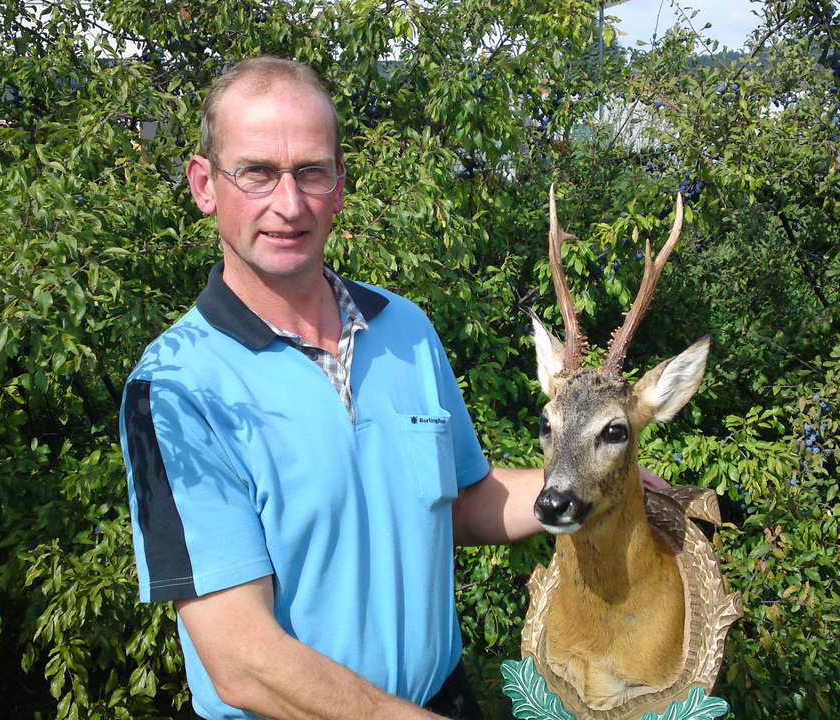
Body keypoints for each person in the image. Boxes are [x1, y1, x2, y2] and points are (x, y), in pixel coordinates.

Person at [118, 56, 548, 720]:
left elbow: (462, 502)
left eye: (311, 172)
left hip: (443, 699)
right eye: (256, 172)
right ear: (205, 185)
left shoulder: (404, 329)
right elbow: (242, 661)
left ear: (340, 187)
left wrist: (594, 485)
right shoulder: (177, 388)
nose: (287, 205)